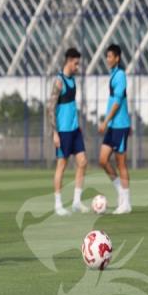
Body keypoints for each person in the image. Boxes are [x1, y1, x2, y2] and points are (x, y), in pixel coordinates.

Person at [48, 48, 89, 216]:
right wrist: (54, 132)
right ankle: (58, 205)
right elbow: (50, 108)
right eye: (76, 63)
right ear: (69, 61)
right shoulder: (59, 81)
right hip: (63, 131)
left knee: (83, 162)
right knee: (62, 166)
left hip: (75, 129)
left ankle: (76, 202)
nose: (78, 67)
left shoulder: (73, 81)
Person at [98, 44, 132, 214]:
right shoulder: (113, 74)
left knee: (121, 163)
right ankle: (120, 191)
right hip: (113, 126)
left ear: (117, 58)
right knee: (103, 160)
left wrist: (105, 121)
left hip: (119, 125)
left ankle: (126, 203)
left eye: (110, 56)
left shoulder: (120, 75)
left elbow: (118, 103)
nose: (108, 59)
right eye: (107, 56)